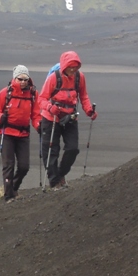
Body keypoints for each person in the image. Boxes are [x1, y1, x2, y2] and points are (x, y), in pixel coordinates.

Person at [38, 51, 97, 189]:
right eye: (70, 66)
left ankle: (60, 174)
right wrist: (50, 107)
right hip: (51, 118)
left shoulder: (79, 77)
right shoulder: (54, 78)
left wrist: (89, 110)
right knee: (51, 150)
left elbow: (83, 96)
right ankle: (54, 182)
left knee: (73, 148)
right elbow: (42, 98)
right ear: (64, 65)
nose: (73, 69)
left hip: (70, 117)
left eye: (76, 67)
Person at [0, 65, 41, 202]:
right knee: (9, 165)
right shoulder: (5, 93)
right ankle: (9, 196)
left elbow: (35, 114)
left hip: (23, 134)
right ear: (14, 78)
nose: (23, 82)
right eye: (20, 79)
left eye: (25, 79)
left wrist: (38, 126)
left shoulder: (33, 94)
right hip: (6, 133)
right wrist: (0, 117)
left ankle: (13, 188)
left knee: (24, 166)